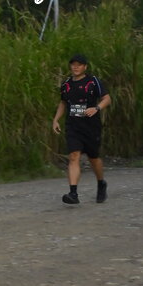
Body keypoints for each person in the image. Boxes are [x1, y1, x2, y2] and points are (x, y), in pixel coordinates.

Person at [52, 53, 111, 204]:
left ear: (85, 67)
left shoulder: (93, 81)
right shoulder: (66, 84)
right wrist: (56, 119)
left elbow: (107, 99)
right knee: (73, 156)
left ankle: (101, 183)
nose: (75, 67)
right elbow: (63, 103)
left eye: (79, 65)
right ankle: (73, 194)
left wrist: (96, 108)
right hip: (73, 126)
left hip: (91, 126)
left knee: (93, 158)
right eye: (73, 64)